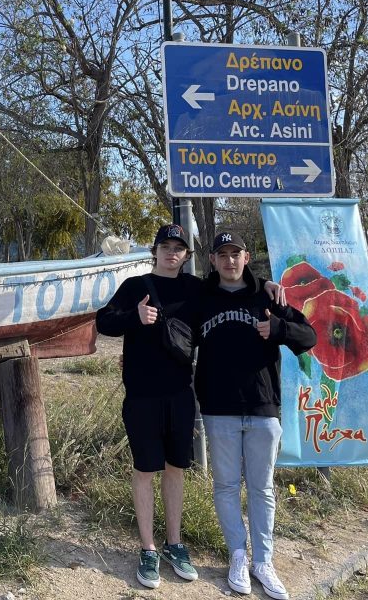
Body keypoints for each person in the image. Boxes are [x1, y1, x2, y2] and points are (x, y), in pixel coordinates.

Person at [96, 224, 284, 590]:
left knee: (176, 469)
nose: (171, 253)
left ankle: (175, 544)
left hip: (182, 394)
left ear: (188, 255)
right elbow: (103, 321)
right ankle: (148, 548)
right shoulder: (136, 286)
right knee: (144, 470)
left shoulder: (196, 289)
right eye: (165, 246)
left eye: (178, 248)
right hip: (141, 396)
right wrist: (134, 317)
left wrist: (267, 286)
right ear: (155, 251)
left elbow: (236, 284)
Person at [193, 232, 315, 600]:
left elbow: (308, 337)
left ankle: (263, 561)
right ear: (212, 260)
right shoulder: (201, 296)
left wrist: (278, 328)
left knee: (262, 489)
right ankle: (236, 555)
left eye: (236, 254)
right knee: (227, 486)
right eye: (222, 255)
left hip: (263, 407)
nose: (230, 261)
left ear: (247, 257)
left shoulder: (268, 295)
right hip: (219, 408)